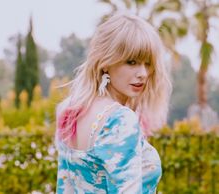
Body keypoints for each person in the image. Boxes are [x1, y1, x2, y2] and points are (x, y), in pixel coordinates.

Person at [55, 12, 172, 194]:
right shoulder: (120, 120)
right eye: (131, 62)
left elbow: (64, 188)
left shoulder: (70, 111)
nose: (143, 73)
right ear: (106, 62)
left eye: (148, 63)